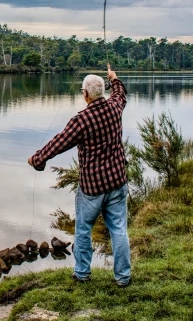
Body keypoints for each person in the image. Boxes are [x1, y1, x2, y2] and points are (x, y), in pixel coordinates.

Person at [28, 65, 130, 287]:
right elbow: (120, 94)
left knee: (83, 230)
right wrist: (114, 78)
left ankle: (82, 274)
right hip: (117, 182)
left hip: (92, 188)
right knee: (119, 230)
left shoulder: (81, 120)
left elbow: (59, 142)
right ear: (101, 92)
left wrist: (38, 159)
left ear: (85, 94)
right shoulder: (114, 108)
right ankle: (123, 277)